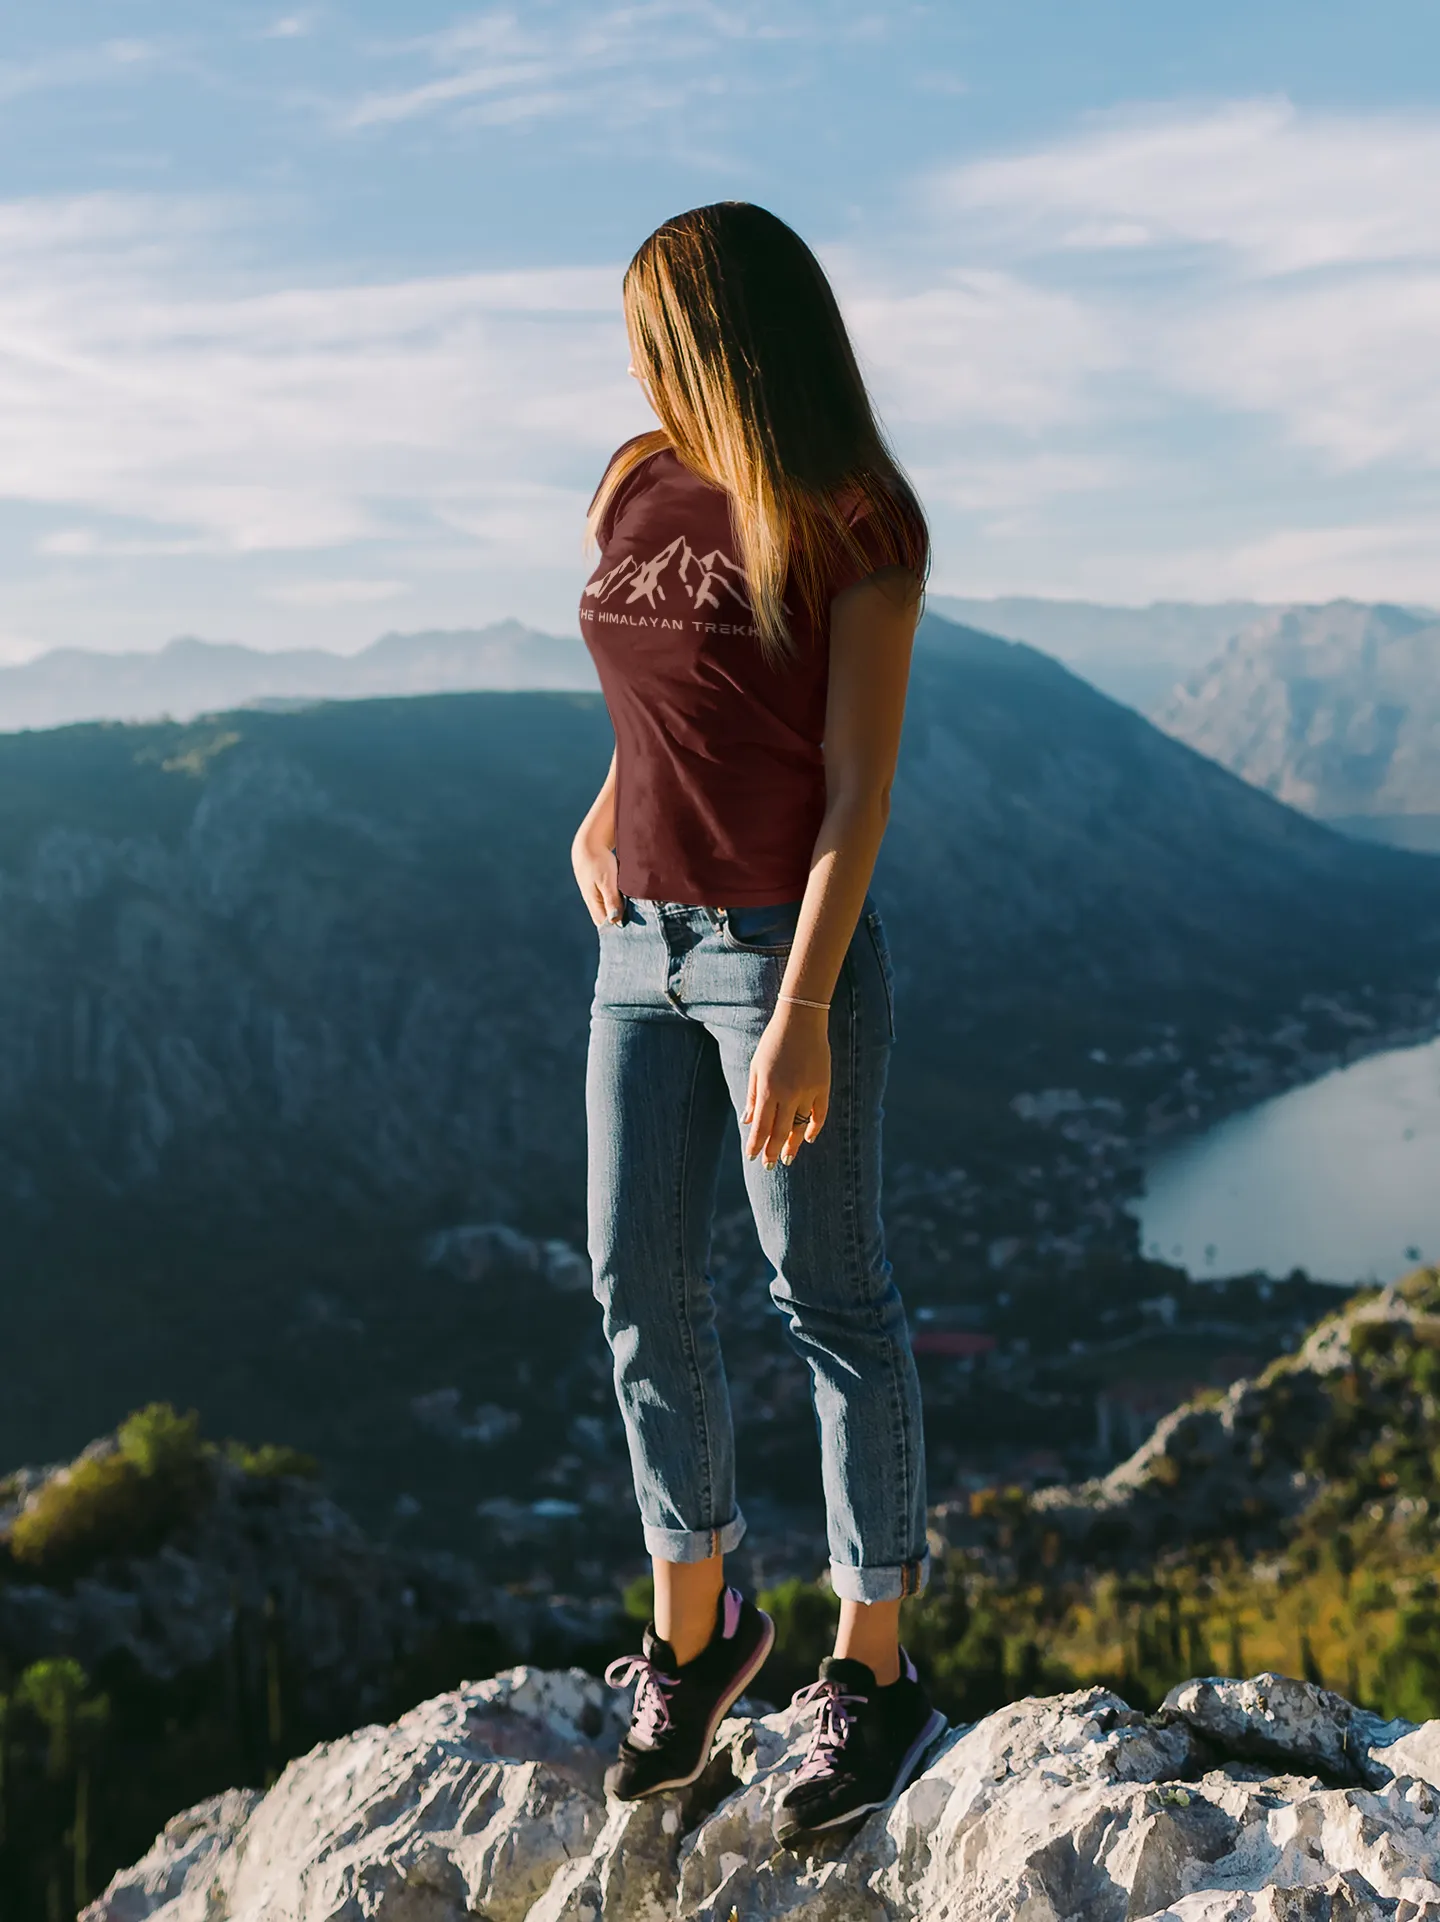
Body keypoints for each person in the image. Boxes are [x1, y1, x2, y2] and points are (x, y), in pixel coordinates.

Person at [571, 201, 944, 1845]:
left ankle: (872, 1664)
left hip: (778, 956)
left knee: (831, 1300)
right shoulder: (636, 479)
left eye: (654, 323)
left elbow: (856, 789)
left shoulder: (855, 514)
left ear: (716, 327)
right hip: (633, 945)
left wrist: (798, 1008)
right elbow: (663, 694)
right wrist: (600, 808)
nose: (636, 355)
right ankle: (699, 1624)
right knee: (638, 1281)